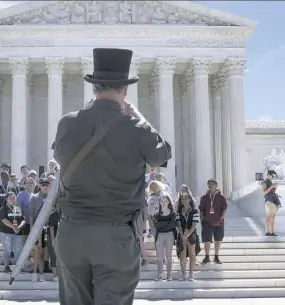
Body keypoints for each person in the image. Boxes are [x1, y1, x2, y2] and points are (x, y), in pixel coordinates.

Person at [52, 48, 171, 305]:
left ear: (94, 88)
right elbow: (162, 155)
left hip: (72, 232)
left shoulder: (67, 123)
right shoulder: (135, 128)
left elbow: (59, 158)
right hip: (115, 236)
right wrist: (136, 115)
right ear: (125, 90)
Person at [199, 179, 227, 264]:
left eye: (212, 184)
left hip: (219, 222)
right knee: (207, 240)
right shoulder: (204, 197)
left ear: (216, 185)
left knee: (218, 239)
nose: (210, 186)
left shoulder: (222, 197)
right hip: (207, 221)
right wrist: (201, 219)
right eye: (209, 184)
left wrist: (221, 218)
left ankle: (216, 257)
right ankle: (207, 257)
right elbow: (201, 209)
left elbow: (224, 208)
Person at [29, 178, 51, 282]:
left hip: (49, 227)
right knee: (37, 251)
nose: (45, 187)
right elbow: (31, 216)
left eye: (47, 185)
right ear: (40, 186)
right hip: (37, 228)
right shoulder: (34, 197)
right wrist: (32, 230)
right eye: (43, 185)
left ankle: (41, 273)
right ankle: (35, 272)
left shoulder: (51, 198)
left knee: (43, 252)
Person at [0, 191, 26, 273]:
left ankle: (19, 267)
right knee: (8, 249)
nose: (13, 199)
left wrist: (19, 227)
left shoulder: (18, 208)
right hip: (6, 233)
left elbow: (23, 219)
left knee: (18, 249)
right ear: (6, 199)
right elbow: (4, 220)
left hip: (17, 232)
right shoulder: (3, 209)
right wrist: (14, 227)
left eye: (14, 198)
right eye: (10, 198)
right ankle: (6, 266)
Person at [152, 192, 176, 281]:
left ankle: (169, 275)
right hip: (160, 235)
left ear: (169, 202)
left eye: (165, 201)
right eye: (162, 201)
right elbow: (156, 225)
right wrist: (165, 223)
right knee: (159, 257)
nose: (163, 203)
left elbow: (171, 225)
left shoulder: (173, 214)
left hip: (169, 234)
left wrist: (161, 224)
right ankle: (159, 274)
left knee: (168, 256)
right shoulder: (156, 214)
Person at [176, 191, 199, 281]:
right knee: (182, 255)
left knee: (192, 254)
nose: (184, 200)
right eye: (182, 198)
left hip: (191, 234)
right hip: (181, 235)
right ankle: (183, 274)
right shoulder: (178, 211)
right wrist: (182, 235)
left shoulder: (194, 211)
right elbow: (178, 224)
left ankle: (191, 274)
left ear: (190, 199)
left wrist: (187, 234)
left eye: (186, 198)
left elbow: (194, 225)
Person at [262, 170, 280, 236]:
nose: (273, 177)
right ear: (268, 175)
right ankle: (267, 232)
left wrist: (274, 187)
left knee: (273, 217)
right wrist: (272, 186)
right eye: (272, 176)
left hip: (273, 201)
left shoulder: (270, 182)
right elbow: (264, 192)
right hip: (268, 201)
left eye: (274, 176)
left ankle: (272, 232)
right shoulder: (264, 182)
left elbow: (271, 191)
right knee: (269, 216)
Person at [47, 208, 61, 282]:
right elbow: (51, 227)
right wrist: (53, 239)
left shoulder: (65, 212)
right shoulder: (53, 214)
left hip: (62, 237)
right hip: (53, 236)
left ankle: (60, 275)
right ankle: (55, 275)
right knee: (53, 255)